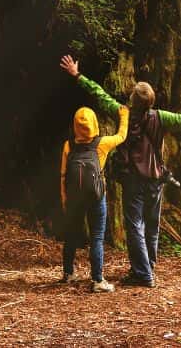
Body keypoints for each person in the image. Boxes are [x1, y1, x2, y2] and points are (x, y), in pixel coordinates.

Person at [59, 54, 181, 288]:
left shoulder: (122, 112)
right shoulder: (161, 118)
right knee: (151, 225)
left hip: (133, 180)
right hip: (156, 178)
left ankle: (143, 273)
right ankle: (147, 267)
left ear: (132, 99)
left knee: (135, 225)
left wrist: (77, 75)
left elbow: (99, 94)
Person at [60, 94, 128, 292]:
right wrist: (124, 115)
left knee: (71, 234)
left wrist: (64, 199)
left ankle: (68, 273)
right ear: (94, 124)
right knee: (97, 237)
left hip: (74, 198)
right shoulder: (102, 144)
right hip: (96, 196)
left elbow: (63, 175)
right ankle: (98, 280)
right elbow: (122, 136)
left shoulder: (68, 145)